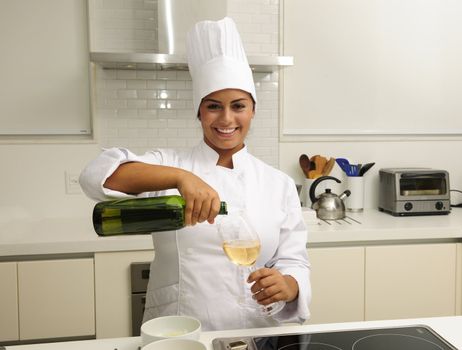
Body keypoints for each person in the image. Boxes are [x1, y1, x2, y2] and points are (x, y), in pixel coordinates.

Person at [79, 17, 310, 331]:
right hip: (180, 330)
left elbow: (294, 261)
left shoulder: (278, 184)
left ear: (253, 110)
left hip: (256, 333)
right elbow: (97, 175)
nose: (226, 118)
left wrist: (289, 285)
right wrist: (180, 178)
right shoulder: (170, 163)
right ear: (198, 112)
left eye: (238, 106)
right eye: (214, 106)